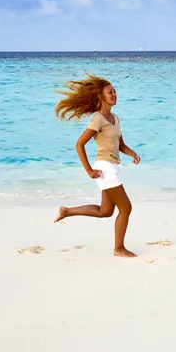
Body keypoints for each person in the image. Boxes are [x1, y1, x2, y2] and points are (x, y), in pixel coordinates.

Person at [53, 74, 140, 258]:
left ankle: (66, 211)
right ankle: (119, 248)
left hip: (114, 166)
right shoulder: (98, 119)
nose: (114, 94)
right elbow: (79, 144)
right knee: (126, 208)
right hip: (104, 167)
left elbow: (120, 144)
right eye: (110, 92)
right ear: (101, 96)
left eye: (115, 91)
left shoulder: (115, 118)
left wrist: (132, 153)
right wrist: (88, 170)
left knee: (106, 211)